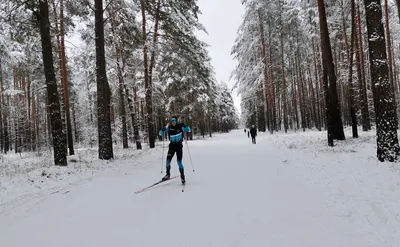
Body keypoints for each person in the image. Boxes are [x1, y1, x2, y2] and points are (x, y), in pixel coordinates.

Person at [159, 116, 191, 184]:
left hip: (179, 146)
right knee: (167, 161)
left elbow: (189, 130)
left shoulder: (180, 126)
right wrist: (162, 130)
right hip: (172, 146)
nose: (173, 122)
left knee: (179, 162)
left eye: (174, 121)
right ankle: (167, 174)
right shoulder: (169, 127)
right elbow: (160, 133)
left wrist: (185, 126)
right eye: (172, 121)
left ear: (176, 121)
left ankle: (182, 177)